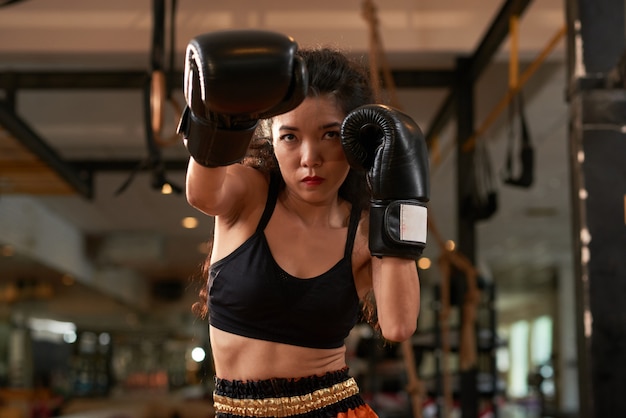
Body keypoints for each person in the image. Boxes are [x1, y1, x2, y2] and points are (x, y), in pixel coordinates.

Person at [178, 29, 429, 418]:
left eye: (330, 134)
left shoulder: (363, 232)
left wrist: (401, 201)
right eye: (290, 136)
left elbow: (398, 326)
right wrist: (218, 121)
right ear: (271, 139)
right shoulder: (249, 194)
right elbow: (201, 194)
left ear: (355, 137)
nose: (310, 158)